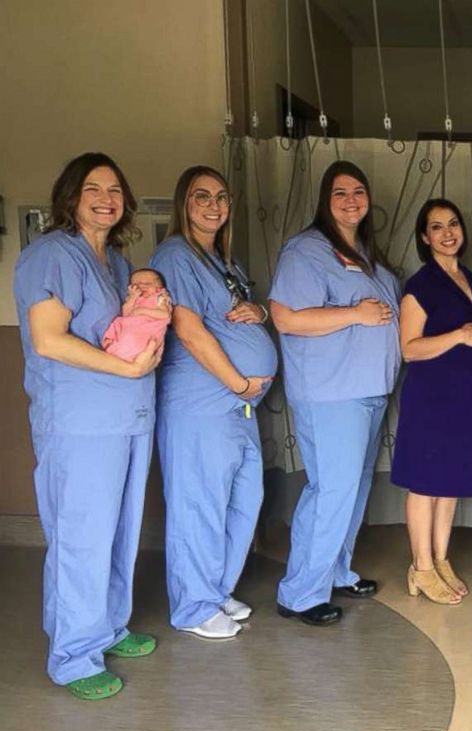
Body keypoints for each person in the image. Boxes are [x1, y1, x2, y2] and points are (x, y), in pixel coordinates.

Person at [13, 152, 163, 700]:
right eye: (94, 188)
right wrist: (126, 367)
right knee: (81, 539)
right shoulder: (51, 255)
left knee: (120, 532)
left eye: (116, 189)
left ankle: (108, 628)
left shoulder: (118, 263)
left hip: (126, 416)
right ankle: (75, 657)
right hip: (78, 423)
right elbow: (50, 339)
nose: (107, 197)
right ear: (70, 195)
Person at [269, 160, 400, 625]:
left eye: (358, 191)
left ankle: (337, 569)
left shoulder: (365, 253)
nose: (351, 200)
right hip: (331, 393)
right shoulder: (306, 251)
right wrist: (354, 315)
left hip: (368, 392)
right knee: (332, 490)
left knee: (353, 489)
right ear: (326, 201)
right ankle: (301, 592)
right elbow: (286, 317)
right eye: (340, 192)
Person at [150, 165, 277, 640]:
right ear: (184, 202)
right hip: (202, 404)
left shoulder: (223, 260)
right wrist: (240, 383)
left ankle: (215, 588)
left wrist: (259, 311)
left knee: (244, 500)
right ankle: (192, 607)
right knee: (199, 506)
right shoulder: (175, 256)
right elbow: (189, 329)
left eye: (221, 197)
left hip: (237, 409)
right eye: (201, 196)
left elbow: (240, 312)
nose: (213, 205)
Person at [393, 198, 472, 605]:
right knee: (425, 483)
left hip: (465, 401)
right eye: (436, 227)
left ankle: (439, 559)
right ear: (424, 237)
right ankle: (420, 566)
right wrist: (459, 336)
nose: (447, 233)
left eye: (453, 223)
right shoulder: (420, 285)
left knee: (449, 483)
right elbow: (409, 348)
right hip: (432, 399)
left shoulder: (469, 278)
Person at [101, 268, 172, 360]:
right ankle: (114, 348)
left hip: (147, 331)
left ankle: (122, 354)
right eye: (136, 285)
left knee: (132, 340)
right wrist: (133, 298)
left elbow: (165, 315)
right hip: (130, 328)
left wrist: (142, 311)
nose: (142, 286)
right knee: (118, 324)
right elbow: (126, 314)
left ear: (159, 288)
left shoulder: (159, 298)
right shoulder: (134, 299)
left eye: (147, 284)